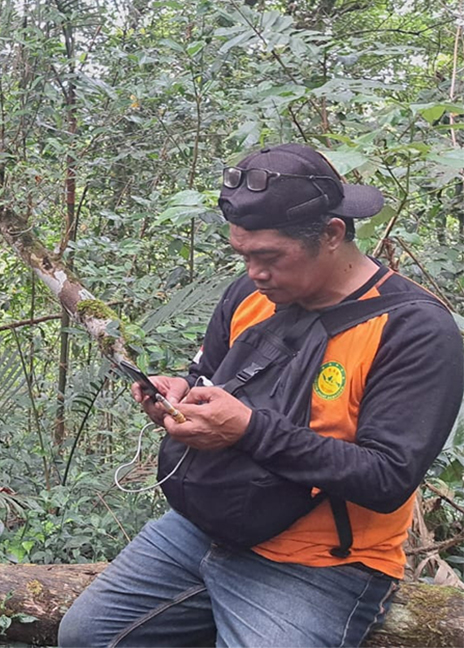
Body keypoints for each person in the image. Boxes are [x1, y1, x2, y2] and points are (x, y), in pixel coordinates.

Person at [57, 144, 464, 648]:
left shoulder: (414, 329)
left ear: (332, 234)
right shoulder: (250, 296)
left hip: (321, 562)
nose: (254, 272)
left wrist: (248, 429)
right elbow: (212, 375)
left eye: (268, 256)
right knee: (86, 636)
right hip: (207, 522)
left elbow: (387, 478)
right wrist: (182, 391)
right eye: (243, 255)